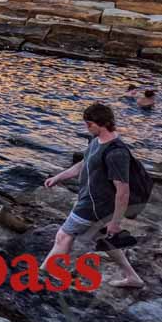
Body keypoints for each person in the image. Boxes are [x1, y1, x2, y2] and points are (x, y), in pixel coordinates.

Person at [41, 103, 144, 289]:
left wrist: (116, 222)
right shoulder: (96, 141)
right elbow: (83, 164)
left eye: (89, 124)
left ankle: (43, 274)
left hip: (94, 206)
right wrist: (58, 177)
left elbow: (123, 191)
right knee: (102, 238)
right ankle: (132, 277)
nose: (86, 127)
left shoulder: (116, 153)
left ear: (102, 123)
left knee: (64, 236)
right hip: (89, 200)